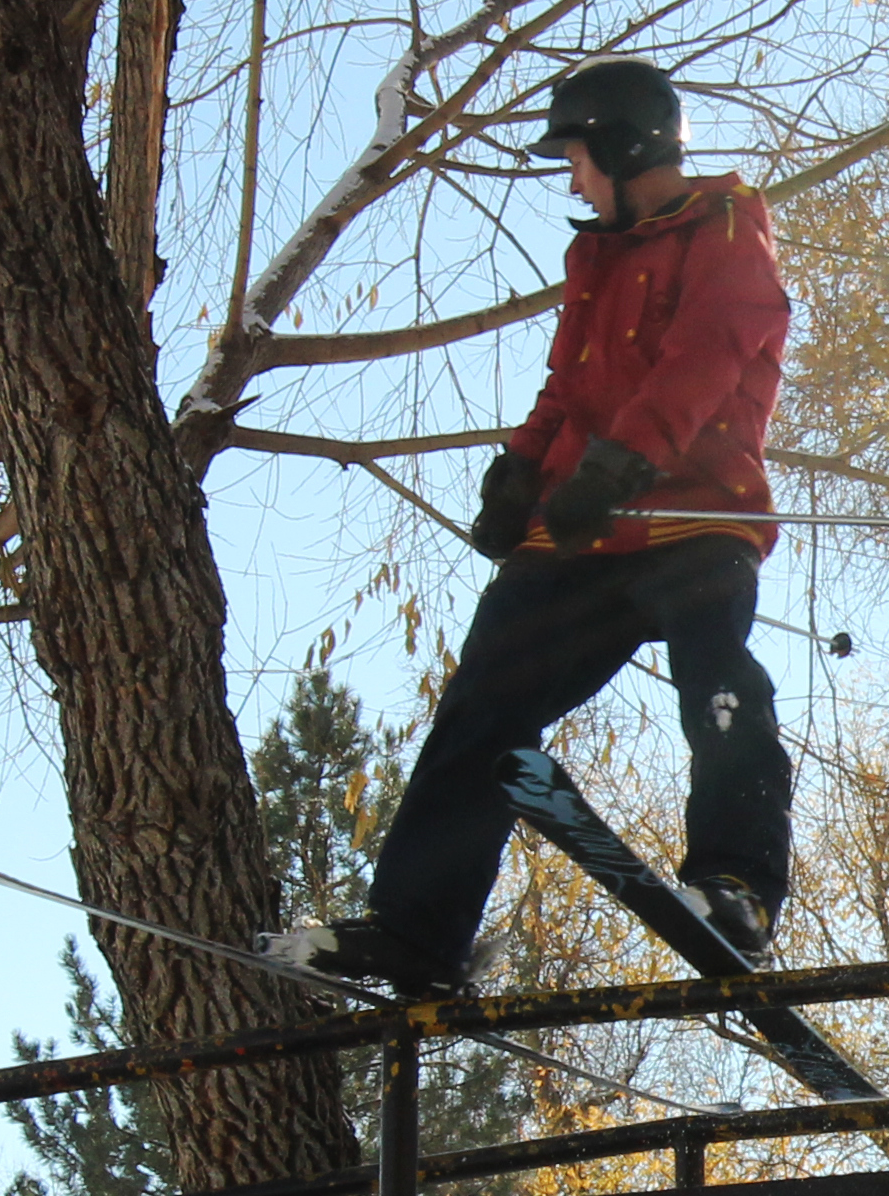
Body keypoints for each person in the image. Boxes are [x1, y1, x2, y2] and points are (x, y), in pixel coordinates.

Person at [271, 58, 795, 997]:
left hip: (691, 515)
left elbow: (710, 351)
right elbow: (568, 387)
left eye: (578, 156)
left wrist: (620, 462)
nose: (572, 178)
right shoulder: (594, 256)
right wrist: (521, 473)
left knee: (718, 683)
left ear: (626, 144)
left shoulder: (726, 230)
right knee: (480, 709)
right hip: (582, 532)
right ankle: (420, 931)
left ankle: (736, 888)